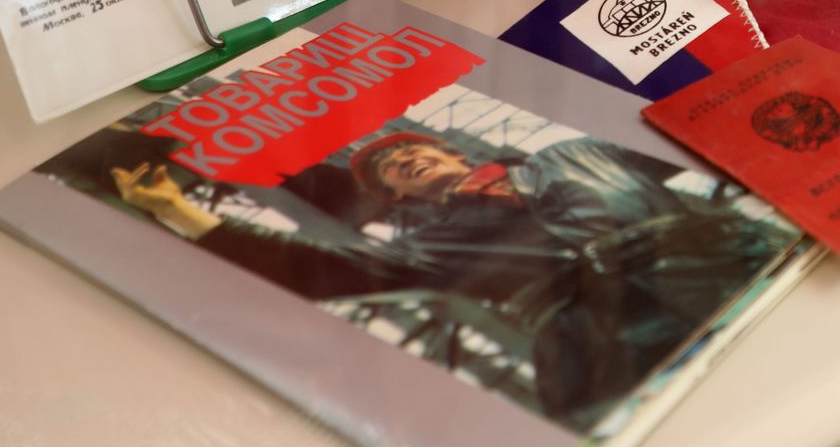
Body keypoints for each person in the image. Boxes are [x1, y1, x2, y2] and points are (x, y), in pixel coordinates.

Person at [113, 132, 785, 430]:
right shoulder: (437, 244)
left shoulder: (574, 152)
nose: (405, 160)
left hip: (731, 268)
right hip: (607, 343)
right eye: (391, 171)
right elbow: (321, 269)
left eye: (411, 150)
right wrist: (178, 210)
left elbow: (690, 137)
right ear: (397, 199)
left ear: (450, 151)